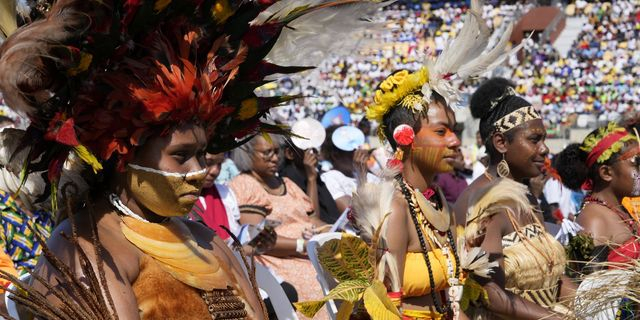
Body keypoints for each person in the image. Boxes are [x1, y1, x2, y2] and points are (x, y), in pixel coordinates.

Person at [0, 0, 384, 318]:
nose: (198, 170)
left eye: (202, 153)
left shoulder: (202, 236)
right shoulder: (89, 249)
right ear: (122, 153)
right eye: (181, 155)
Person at [303, 1, 520, 318]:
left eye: (454, 130)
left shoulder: (434, 197)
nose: (455, 141)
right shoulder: (394, 206)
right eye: (442, 131)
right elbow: (384, 309)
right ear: (406, 137)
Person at [454, 78, 574, 319]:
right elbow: (489, 293)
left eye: (544, 139)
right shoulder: (481, 201)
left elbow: (552, 276)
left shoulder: (526, 194)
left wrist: (597, 300)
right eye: (534, 139)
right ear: (501, 142)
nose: (544, 148)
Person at [229, 134, 325, 305]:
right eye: (267, 153)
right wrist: (303, 245)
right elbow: (257, 239)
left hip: (309, 253)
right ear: (248, 153)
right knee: (315, 286)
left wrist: (331, 231)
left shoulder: (286, 182)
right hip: (279, 261)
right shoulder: (245, 184)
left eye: (276, 152)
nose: (274, 158)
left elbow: (312, 218)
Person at [556, 122, 640, 269]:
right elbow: (590, 287)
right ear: (606, 173)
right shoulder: (594, 220)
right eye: (636, 163)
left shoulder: (619, 209)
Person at [281, 118, 342, 224]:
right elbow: (312, 220)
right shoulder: (287, 181)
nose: (312, 152)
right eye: (306, 149)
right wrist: (311, 180)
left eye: (314, 148)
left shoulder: (317, 175)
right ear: (290, 154)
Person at [320, 125, 375, 212]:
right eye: (351, 151)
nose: (357, 153)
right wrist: (362, 177)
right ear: (335, 156)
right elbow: (352, 214)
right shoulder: (330, 178)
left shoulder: (369, 176)